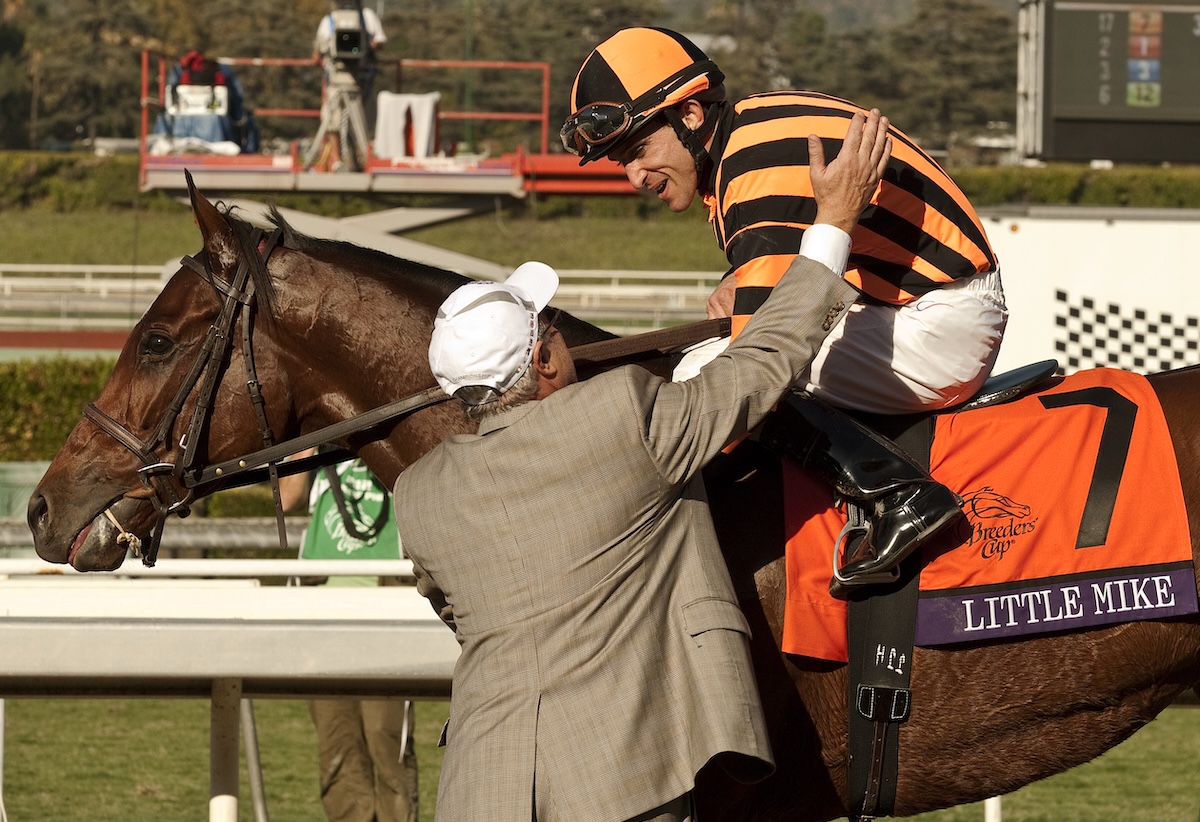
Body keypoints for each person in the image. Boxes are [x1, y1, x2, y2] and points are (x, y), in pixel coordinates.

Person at [393, 110, 889, 821]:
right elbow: (760, 366)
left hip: (481, 787)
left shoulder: (419, 495)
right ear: (543, 360)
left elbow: (458, 611)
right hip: (622, 778)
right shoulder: (623, 413)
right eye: (553, 329)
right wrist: (835, 221)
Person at [560, 26, 1009, 588]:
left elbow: (757, 367)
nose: (633, 178)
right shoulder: (747, 137)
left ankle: (900, 494)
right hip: (920, 304)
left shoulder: (755, 171)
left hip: (939, 323)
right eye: (619, 162)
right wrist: (741, 277)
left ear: (691, 114)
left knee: (708, 371)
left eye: (639, 150)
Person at [280, 452, 419, 822]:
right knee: (336, 745)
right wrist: (303, 447)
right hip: (323, 617)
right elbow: (287, 498)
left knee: (385, 740)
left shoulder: (393, 448)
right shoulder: (322, 456)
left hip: (384, 618)